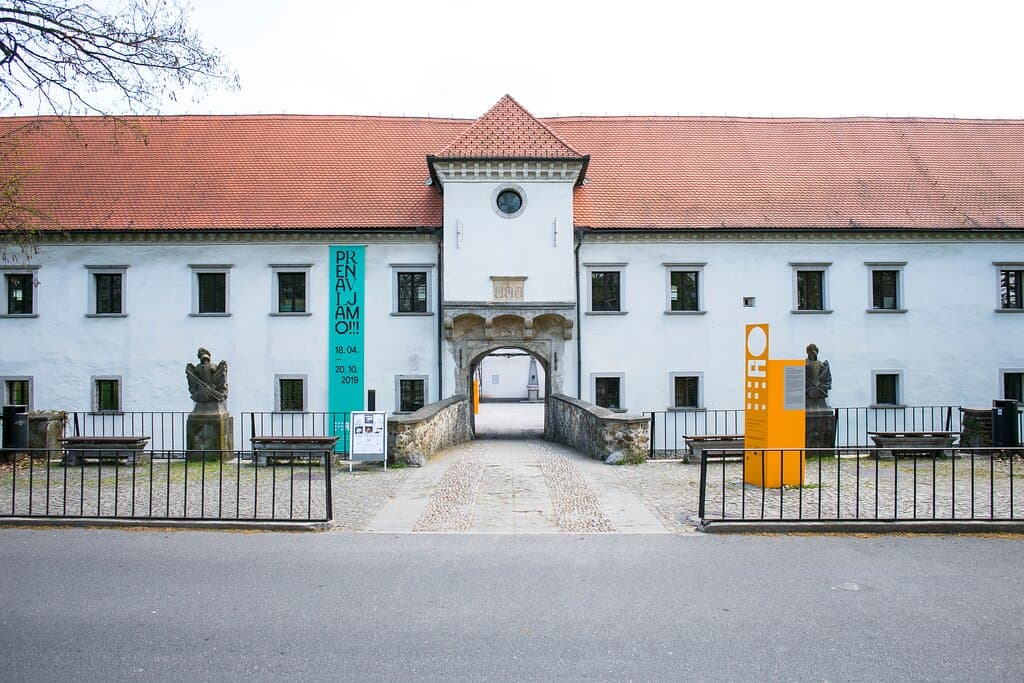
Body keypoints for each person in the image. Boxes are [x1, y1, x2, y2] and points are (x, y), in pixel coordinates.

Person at [805, 343, 832, 410]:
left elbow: (825, 376)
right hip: (809, 388)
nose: (812, 355)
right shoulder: (804, 364)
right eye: (810, 353)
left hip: (819, 387)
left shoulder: (820, 364)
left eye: (813, 353)